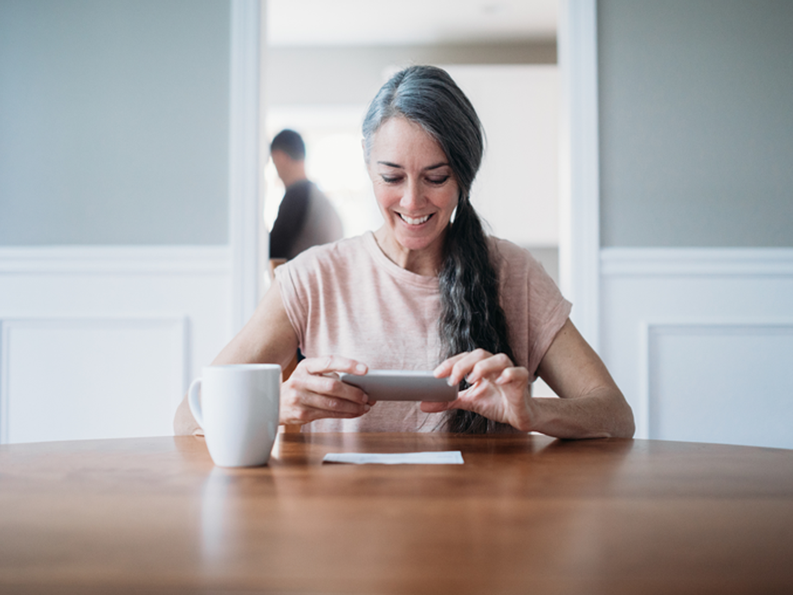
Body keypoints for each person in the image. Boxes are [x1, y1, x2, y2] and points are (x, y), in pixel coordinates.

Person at [174, 65, 635, 438]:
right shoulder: (313, 278)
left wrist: (532, 413)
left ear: (464, 175)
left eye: (436, 178)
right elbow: (187, 418)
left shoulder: (512, 273)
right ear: (366, 162)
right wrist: (274, 406)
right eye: (392, 177)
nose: (412, 202)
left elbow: (616, 415)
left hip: (485, 535)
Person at [268, 129, 343, 260]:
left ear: (280, 157)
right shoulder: (317, 197)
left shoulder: (296, 196)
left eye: (274, 163)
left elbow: (274, 250)